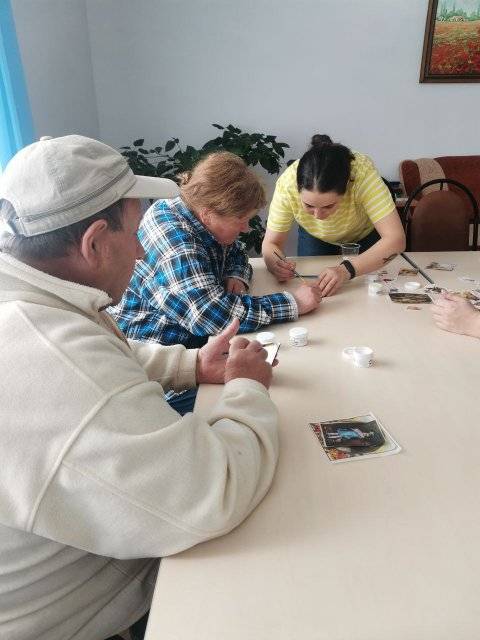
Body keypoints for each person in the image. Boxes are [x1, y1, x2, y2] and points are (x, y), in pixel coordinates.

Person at [0, 135, 280, 640]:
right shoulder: (51, 358)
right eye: (135, 232)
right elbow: (212, 492)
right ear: (94, 242)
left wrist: (193, 365)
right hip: (76, 616)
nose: (142, 247)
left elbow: (101, 356)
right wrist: (246, 389)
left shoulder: (26, 296)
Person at [110, 151, 321, 349]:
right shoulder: (177, 243)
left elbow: (236, 251)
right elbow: (209, 316)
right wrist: (292, 303)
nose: (246, 228)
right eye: (241, 220)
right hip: (161, 348)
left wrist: (235, 274)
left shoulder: (195, 211)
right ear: (208, 214)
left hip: (191, 334)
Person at [262, 134, 406, 297]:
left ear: (347, 186)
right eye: (308, 205)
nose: (318, 215)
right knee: (317, 292)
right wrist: (275, 264)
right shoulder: (287, 185)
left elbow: (396, 240)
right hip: (315, 235)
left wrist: (347, 270)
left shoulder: (362, 175)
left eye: (328, 206)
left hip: (364, 235)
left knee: (367, 293)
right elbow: (270, 244)